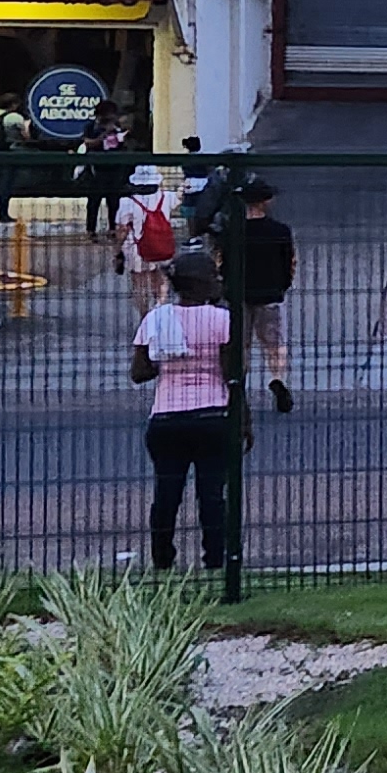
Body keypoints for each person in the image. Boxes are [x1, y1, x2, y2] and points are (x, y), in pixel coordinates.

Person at [133, 243, 239, 574]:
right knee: (212, 494)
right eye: (214, 276)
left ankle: (162, 560)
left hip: (166, 418)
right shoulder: (223, 319)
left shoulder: (156, 319)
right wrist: (243, 420)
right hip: (212, 415)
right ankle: (216, 561)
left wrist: (166, 355)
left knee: (167, 493)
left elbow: (140, 373)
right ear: (200, 284)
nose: (219, 280)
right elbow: (233, 374)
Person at [235, 176, 297, 412]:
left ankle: (238, 387)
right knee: (275, 345)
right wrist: (283, 285)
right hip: (270, 293)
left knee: (241, 345)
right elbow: (290, 262)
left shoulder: (234, 231)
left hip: (240, 294)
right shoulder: (280, 230)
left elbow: (222, 262)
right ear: (267, 201)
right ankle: (277, 379)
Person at [118, 162, 179, 307]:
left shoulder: (127, 202)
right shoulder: (168, 197)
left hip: (135, 246)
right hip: (161, 243)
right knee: (160, 276)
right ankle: (159, 305)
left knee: (139, 282)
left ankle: (144, 315)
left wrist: (117, 250)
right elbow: (179, 199)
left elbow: (122, 228)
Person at [81, 109, 131, 240]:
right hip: (96, 168)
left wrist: (121, 136)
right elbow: (87, 142)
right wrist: (103, 135)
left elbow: (124, 146)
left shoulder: (117, 128)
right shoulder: (91, 127)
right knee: (93, 201)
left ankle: (112, 228)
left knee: (113, 201)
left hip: (114, 168)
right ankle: (91, 230)